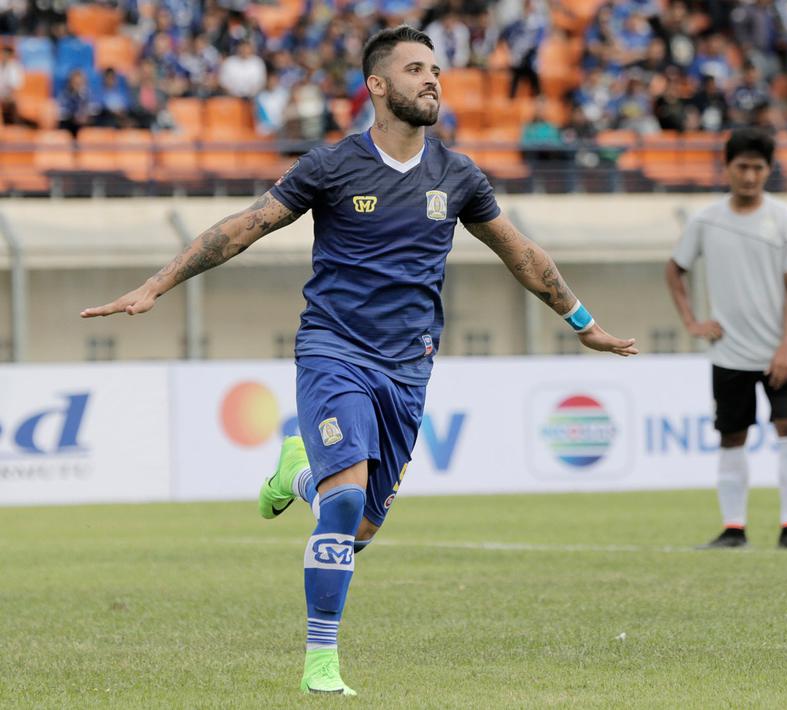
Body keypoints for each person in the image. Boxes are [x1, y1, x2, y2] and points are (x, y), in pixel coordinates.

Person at [81, 26, 637, 696]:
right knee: (343, 510)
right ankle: (321, 664)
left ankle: (299, 470)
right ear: (377, 86)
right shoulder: (332, 165)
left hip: (409, 369)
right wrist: (155, 285)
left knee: (357, 529)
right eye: (414, 69)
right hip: (334, 351)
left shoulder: (458, 175)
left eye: (435, 69)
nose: (432, 79)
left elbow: (521, 254)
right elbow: (245, 226)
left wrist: (582, 322)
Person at [665, 127, 787, 551]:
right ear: (727, 167)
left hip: (781, 352)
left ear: (769, 169)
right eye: (742, 167)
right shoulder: (706, 220)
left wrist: (786, 345)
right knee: (732, 436)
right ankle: (733, 528)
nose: (750, 176)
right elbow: (674, 270)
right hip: (730, 351)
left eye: (758, 167)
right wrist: (692, 322)